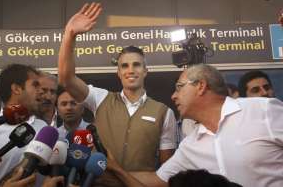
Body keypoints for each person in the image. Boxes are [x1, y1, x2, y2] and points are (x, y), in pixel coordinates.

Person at [58, 3, 177, 186]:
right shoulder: (101, 98)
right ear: (118, 73)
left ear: (145, 71)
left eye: (136, 65)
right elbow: (66, 79)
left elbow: (166, 170)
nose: (131, 70)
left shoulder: (164, 112)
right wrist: (69, 35)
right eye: (124, 66)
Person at [107, 64, 283, 187]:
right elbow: (157, 181)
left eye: (179, 87)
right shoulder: (190, 146)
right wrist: (110, 170)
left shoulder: (264, 110)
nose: (173, 96)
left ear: (200, 86)